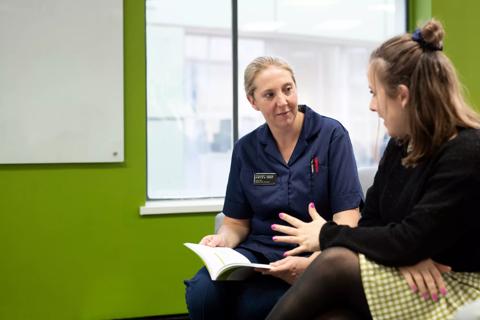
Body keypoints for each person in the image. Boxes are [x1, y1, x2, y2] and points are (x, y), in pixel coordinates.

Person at [266, 19, 480, 320]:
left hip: (455, 283)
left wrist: (326, 234)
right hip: (412, 271)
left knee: (334, 262)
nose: (372, 106)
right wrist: (401, 256)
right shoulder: (399, 144)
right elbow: (373, 225)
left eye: (374, 93)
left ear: (402, 96)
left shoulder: (467, 151)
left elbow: (410, 239)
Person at [184, 56, 364, 320]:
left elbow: (347, 221)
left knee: (252, 309)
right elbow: (236, 223)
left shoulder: (331, 136)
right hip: (256, 257)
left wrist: (313, 264)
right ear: (252, 101)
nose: (282, 102)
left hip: (311, 256)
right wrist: (222, 241)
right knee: (201, 296)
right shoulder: (246, 149)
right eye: (269, 94)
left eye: (287, 89)